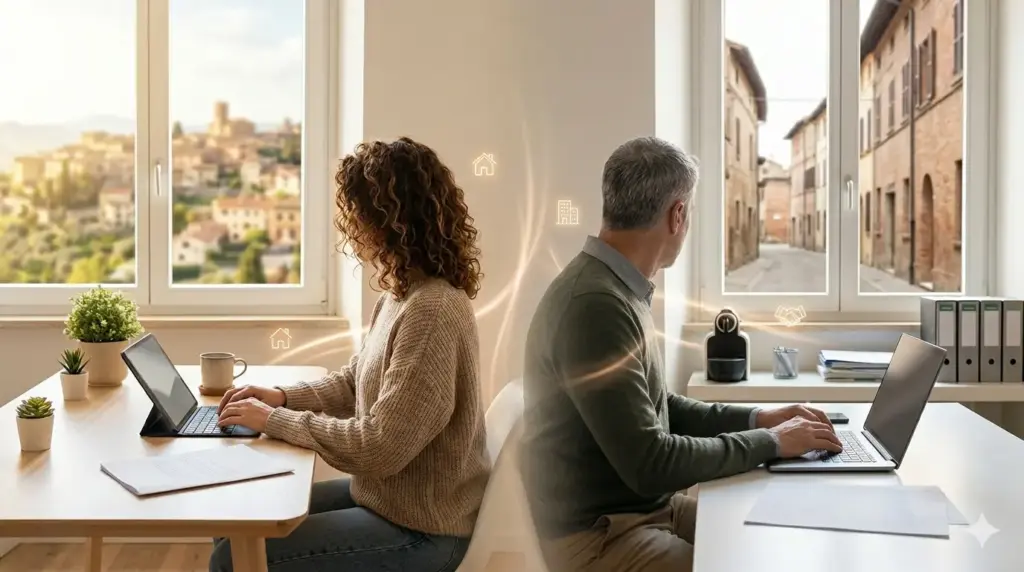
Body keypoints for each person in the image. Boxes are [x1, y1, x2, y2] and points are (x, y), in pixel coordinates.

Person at [520, 136, 843, 572]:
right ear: (678, 215)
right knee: (748, 561)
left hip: (641, 513)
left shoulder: (615, 288)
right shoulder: (595, 305)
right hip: (601, 535)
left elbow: (659, 407)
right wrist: (771, 442)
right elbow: (652, 462)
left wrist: (759, 419)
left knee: (773, 533)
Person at [210, 137, 490, 572]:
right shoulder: (402, 296)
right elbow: (352, 382)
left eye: (358, 213)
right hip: (383, 500)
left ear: (390, 221)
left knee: (233, 558)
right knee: (236, 519)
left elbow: (379, 448)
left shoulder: (432, 311)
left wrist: (275, 422)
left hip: (423, 531)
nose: (352, 227)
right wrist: (281, 397)